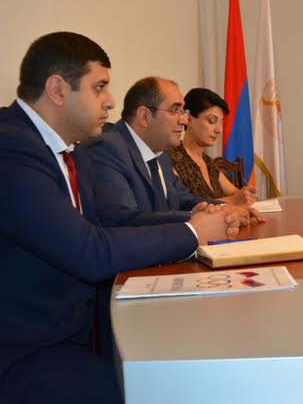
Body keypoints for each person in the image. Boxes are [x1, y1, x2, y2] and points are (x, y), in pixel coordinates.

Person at [0, 32, 242, 403]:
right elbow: (90, 252)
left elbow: (108, 223)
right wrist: (192, 232)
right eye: (99, 87)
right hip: (28, 348)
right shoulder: (11, 150)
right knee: (165, 392)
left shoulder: (73, 151)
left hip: (80, 328)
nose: (111, 101)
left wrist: (197, 223)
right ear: (58, 89)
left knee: (196, 354)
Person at [86, 77, 263, 227]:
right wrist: (197, 219)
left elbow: (184, 200)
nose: (184, 120)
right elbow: (123, 219)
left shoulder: (161, 153)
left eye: (183, 111)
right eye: (175, 110)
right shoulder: (107, 147)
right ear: (144, 116)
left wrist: (226, 210)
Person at [170, 88, 255, 204]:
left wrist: (246, 194)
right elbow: (181, 206)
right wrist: (232, 200)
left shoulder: (208, 162)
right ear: (188, 119)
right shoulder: (171, 159)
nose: (219, 130)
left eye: (221, 122)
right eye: (212, 121)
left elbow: (236, 194)